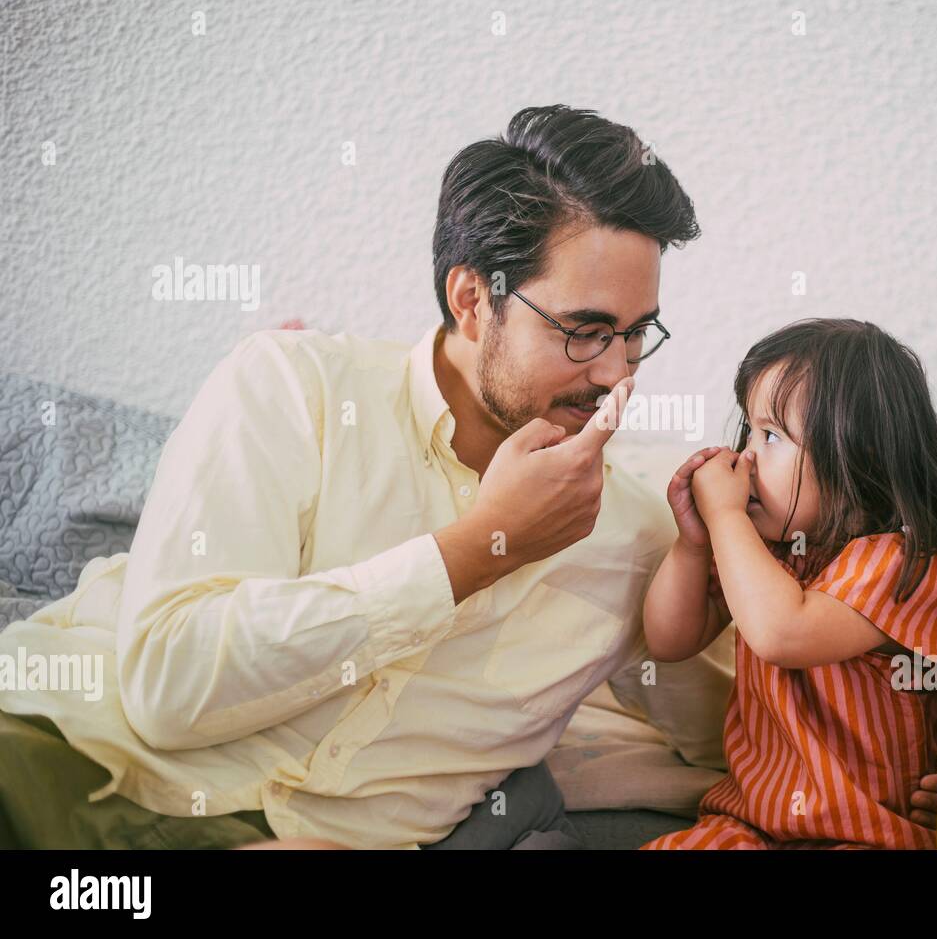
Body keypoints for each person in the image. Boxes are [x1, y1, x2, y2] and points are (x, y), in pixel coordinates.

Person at [0, 104, 725, 849]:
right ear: (473, 300)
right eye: (584, 331)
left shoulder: (639, 537)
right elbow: (166, 687)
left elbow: (749, 743)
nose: (616, 374)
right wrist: (480, 548)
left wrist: (750, 538)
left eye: (637, 335)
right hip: (62, 757)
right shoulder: (293, 387)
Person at [639, 319, 937, 849]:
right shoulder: (761, 552)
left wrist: (726, 519)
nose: (746, 456)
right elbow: (669, 640)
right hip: (752, 823)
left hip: (874, 832)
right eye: (749, 431)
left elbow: (784, 633)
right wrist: (694, 543)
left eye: (772, 436)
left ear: (857, 458)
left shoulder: (901, 563)